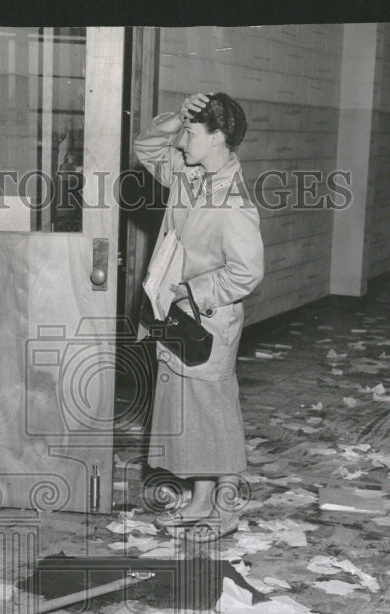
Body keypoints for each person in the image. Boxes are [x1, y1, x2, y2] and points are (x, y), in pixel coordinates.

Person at [133, 92, 265, 542]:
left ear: (219, 138)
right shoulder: (190, 176)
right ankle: (200, 500)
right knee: (189, 411)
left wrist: (194, 290)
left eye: (191, 134)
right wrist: (177, 118)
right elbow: (147, 148)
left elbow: (247, 273)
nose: (183, 143)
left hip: (208, 320)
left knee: (215, 415)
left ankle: (225, 510)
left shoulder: (234, 202)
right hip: (177, 316)